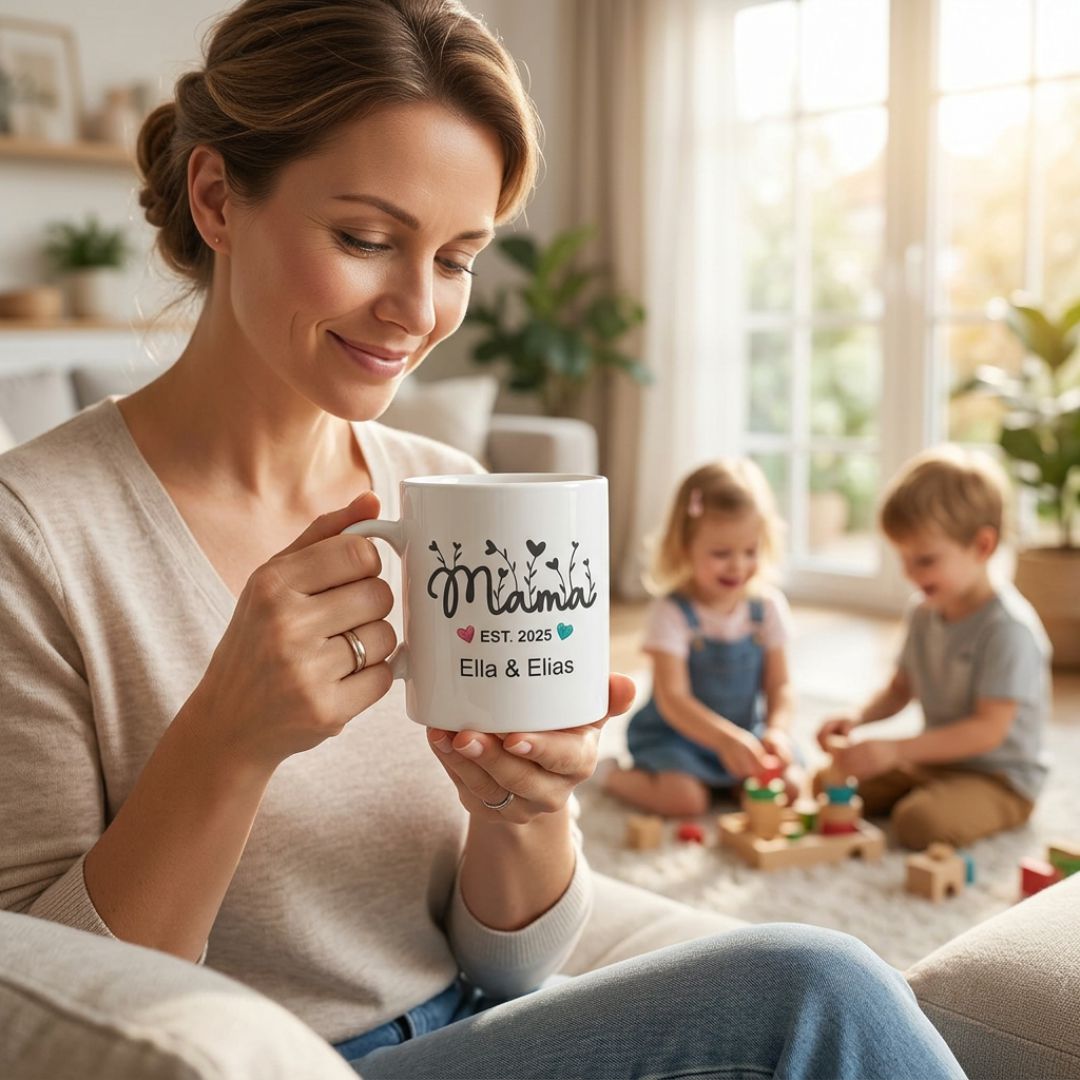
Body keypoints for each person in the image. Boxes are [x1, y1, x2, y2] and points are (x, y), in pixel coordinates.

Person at [0, 2, 964, 1077]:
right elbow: (47, 1010)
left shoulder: (449, 497)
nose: (416, 308)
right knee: (815, 993)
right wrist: (228, 740)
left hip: (476, 1029)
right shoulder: (34, 543)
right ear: (219, 198)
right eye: (367, 239)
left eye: (457, 258)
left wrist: (529, 809)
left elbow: (512, 971)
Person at [816, 446, 1051, 850]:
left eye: (924, 560)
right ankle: (923, 790)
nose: (909, 573)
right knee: (829, 780)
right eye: (903, 558)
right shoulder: (925, 612)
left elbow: (987, 731)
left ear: (982, 546)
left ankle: (961, 803)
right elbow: (899, 689)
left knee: (918, 823)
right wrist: (857, 719)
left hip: (999, 777)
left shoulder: (1008, 629)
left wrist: (897, 750)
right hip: (935, 761)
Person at [604, 460, 802, 815]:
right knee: (686, 801)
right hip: (678, 737)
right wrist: (724, 740)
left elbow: (780, 686)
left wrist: (777, 731)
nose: (738, 565)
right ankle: (613, 775)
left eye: (750, 551)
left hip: (745, 734)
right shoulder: (672, 613)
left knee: (789, 788)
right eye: (721, 553)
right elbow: (673, 700)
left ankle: (727, 781)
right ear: (684, 547)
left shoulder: (768, 608)